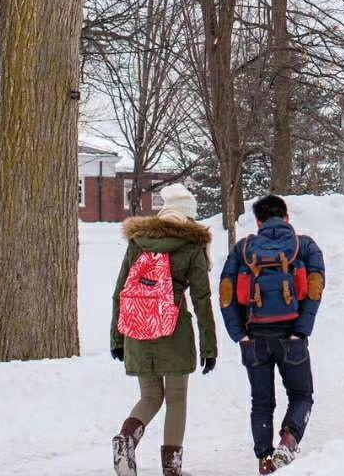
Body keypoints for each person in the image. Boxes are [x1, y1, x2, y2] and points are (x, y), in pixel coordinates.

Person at [110, 183, 217, 476]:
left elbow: (120, 291)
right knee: (176, 398)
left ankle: (126, 440)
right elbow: (202, 300)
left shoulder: (138, 242)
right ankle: (172, 469)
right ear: (188, 217)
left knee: (150, 397)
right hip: (174, 331)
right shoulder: (192, 247)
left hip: (136, 328)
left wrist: (117, 338)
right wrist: (210, 347)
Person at [219, 195, 326, 475]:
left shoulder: (243, 248)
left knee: (261, 402)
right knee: (302, 395)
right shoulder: (305, 246)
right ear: (286, 217)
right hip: (291, 335)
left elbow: (226, 293)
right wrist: (301, 330)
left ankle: (265, 462)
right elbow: (315, 288)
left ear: (258, 221)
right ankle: (288, 442)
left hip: (254, 338)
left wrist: (239, 335)